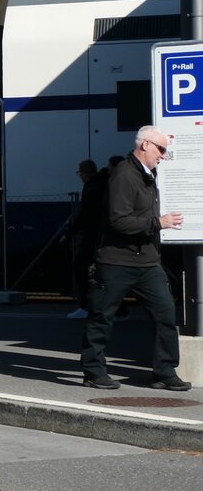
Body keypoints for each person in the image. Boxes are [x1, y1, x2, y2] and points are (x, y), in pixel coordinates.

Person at [81, 125, 188, 391]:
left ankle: (164, 371)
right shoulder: (123, 175)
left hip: (148, 262)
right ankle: (94, 371)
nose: (163, 155)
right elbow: (118, 221)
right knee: (102, 316)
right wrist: (158, 223)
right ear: (145, 146)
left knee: (165, 311)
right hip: (116, 261)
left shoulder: (148, 174)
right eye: (161, 149)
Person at [65, 160, 109, 319]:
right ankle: (118, 309)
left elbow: (86, 214)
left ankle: (86, 306)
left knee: (81, 267)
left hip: (93, 234)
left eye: (80, 173)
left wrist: (70, 232)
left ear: (84, 172)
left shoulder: (91, 187)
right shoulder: (104, 184)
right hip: (104, 234)